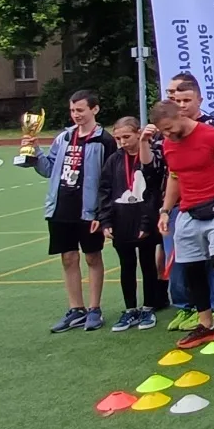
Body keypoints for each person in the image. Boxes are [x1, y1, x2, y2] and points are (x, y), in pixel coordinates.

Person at [152, 96, 214, 351]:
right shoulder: (168, 144)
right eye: (163, 131)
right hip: (188, 212)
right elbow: (175, 178)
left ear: (180, 116)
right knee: (191, 268)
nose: (167, 134)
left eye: (169, 128)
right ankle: (207, 325)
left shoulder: (212, 136)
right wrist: (165, 211)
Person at [37, 90, 117, 333]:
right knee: (68, 258)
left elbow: (110, 179)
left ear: (94, 109)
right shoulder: (63, 138)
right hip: (62, 207)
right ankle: (76, 309)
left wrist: (103, 215)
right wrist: (34, 154)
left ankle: (94, 308)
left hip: (89, 210)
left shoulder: (104, 141)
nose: (76, 115)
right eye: (73, 111)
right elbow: (49, 169)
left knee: (92, 256)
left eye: (80, 110)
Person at [100, 115, 166, 330]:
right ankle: (130, 310)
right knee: (126, 266)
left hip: (145, 221)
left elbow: (154, 192)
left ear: (139, 133)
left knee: (147, 264)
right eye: (118, 138)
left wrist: (147, 223)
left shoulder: (150, 157)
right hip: (121, 222)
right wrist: (105, 221)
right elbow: (106, 191)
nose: (122, 142)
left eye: (127, 136)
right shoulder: (114, 160)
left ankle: (148, 308)